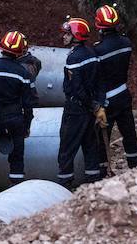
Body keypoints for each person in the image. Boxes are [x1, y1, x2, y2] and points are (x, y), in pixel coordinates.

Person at [0, 30, 38, 188]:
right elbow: (29, 103)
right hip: (15, 120)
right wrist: (26, 126)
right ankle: (16, 192)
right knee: (17, 158)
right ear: (20, 52)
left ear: (2, 48)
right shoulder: (23, 73)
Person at [57, 17, 104, 189]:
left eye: (67, 34)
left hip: (75, 109)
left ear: (75, 35)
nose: (64, 37)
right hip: (90, 111)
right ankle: (94, 185)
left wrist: (90, 104)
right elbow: (99, 82)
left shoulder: (74, 58)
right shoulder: (93, 54)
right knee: (90, 146)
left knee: (66, 148)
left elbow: (76, 88)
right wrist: (98, 105)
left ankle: (64, 185)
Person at [94, 4, 137, 170]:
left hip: (107, 100)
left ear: (99, 26)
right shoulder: (126, 43)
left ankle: (101, 171)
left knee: (101, 138)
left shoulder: (97, 50)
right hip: (124, 95)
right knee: (129, 134)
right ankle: (136, 168)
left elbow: (96, 77)